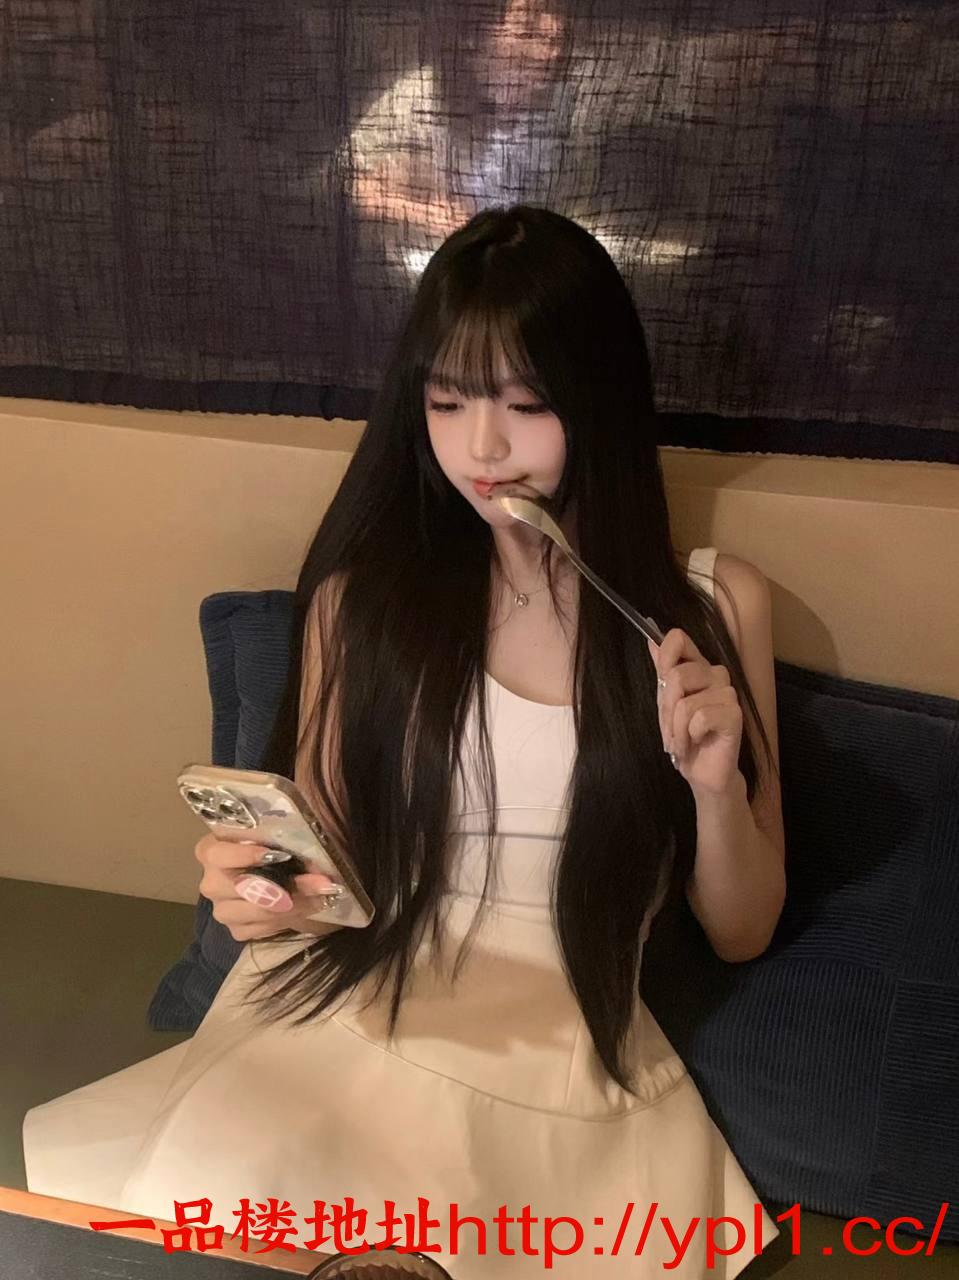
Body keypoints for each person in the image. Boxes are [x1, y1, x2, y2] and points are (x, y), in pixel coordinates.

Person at [24, 204, 787, 1277]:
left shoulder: (711, 608)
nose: (482, 447)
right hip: (355, 1008)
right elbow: (323, 872)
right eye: (446, 401)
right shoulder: (365, 603)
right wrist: (262, 889)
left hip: (566, 1059)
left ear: (601, 401)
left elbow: (744, 931)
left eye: (526, 404)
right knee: (222, 1202)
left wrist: (712, 787)